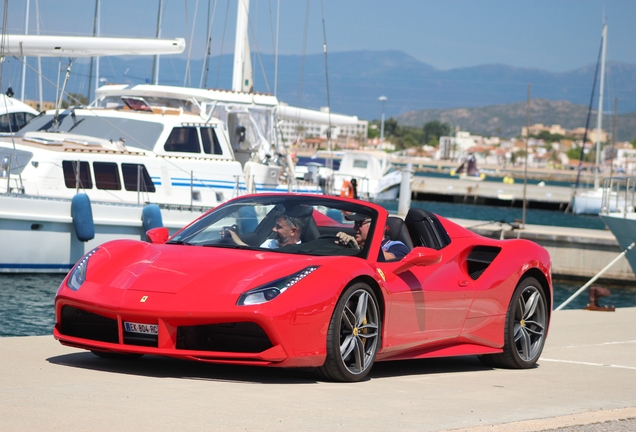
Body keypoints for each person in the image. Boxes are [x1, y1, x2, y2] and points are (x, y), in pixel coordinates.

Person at [335, 214, 409, 261]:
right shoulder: (356, 244)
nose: (355, 227)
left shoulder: (398, 246)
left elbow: (386, 261)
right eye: (355, 223)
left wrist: (358, 250)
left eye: (359, 223)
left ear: (375, 225)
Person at [225, 211, 306, 249]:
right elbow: (253, 253)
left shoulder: (302, 252)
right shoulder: (269, 244)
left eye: (279, 227)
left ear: (293, 231)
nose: (273, 229)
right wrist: (233, 234)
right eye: (275, 226)